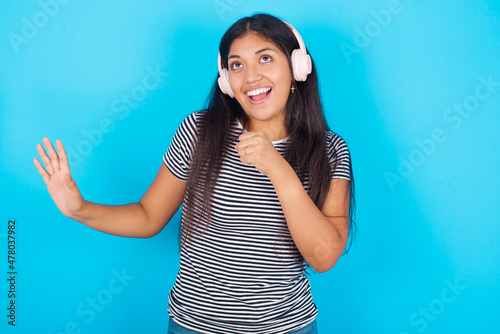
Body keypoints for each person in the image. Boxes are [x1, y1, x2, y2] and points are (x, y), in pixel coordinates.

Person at [33, 13, 356, 334]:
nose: (251, 77)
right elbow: (148, 217)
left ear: (297, 67)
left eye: (265, 59)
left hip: (287, 328)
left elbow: (324, 257)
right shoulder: (198, 132)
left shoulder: (329, 151)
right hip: (193, 327)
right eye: (237, 65)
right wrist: (79, 209)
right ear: (226, 80)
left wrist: (278, 170)